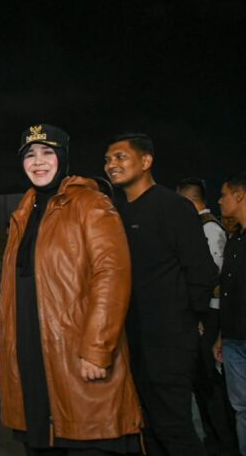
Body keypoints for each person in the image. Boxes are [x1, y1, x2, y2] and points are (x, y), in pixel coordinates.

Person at [0, 124, 142, 454]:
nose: (38, 161)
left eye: (47, 153)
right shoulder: (22, 213)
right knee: (40, 441)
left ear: (62, 158)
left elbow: (112, 275)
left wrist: (97, 348)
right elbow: (11, 286)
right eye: (30, 155)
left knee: (84, 440)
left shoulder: (90, 204)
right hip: (31, 356)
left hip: (75, 354)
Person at [104, 132, 217, 454]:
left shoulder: (173, 207)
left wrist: (184, 320)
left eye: (120, 157)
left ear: (146, 161)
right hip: (129, 341)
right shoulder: (116, 213)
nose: (112, 165)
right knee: (144, 428)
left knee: (174, 428)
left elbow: (202, 271)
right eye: (108, 159)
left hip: (168, 342)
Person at [177, 178, 237, 453]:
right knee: (204, 382)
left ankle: (223, 441)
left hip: (212, 313)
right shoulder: (205, 226)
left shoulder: (210, 228)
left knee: (211, 382)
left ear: (188, 201)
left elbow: (215, 276)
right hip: (209, 313)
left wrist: (199, 313)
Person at [214, 173, 246, 455]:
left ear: (239, 195)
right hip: (235, 338)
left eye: (224, 194)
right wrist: (222, 336)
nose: (220, 200)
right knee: (241, 409)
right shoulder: (235, 240)